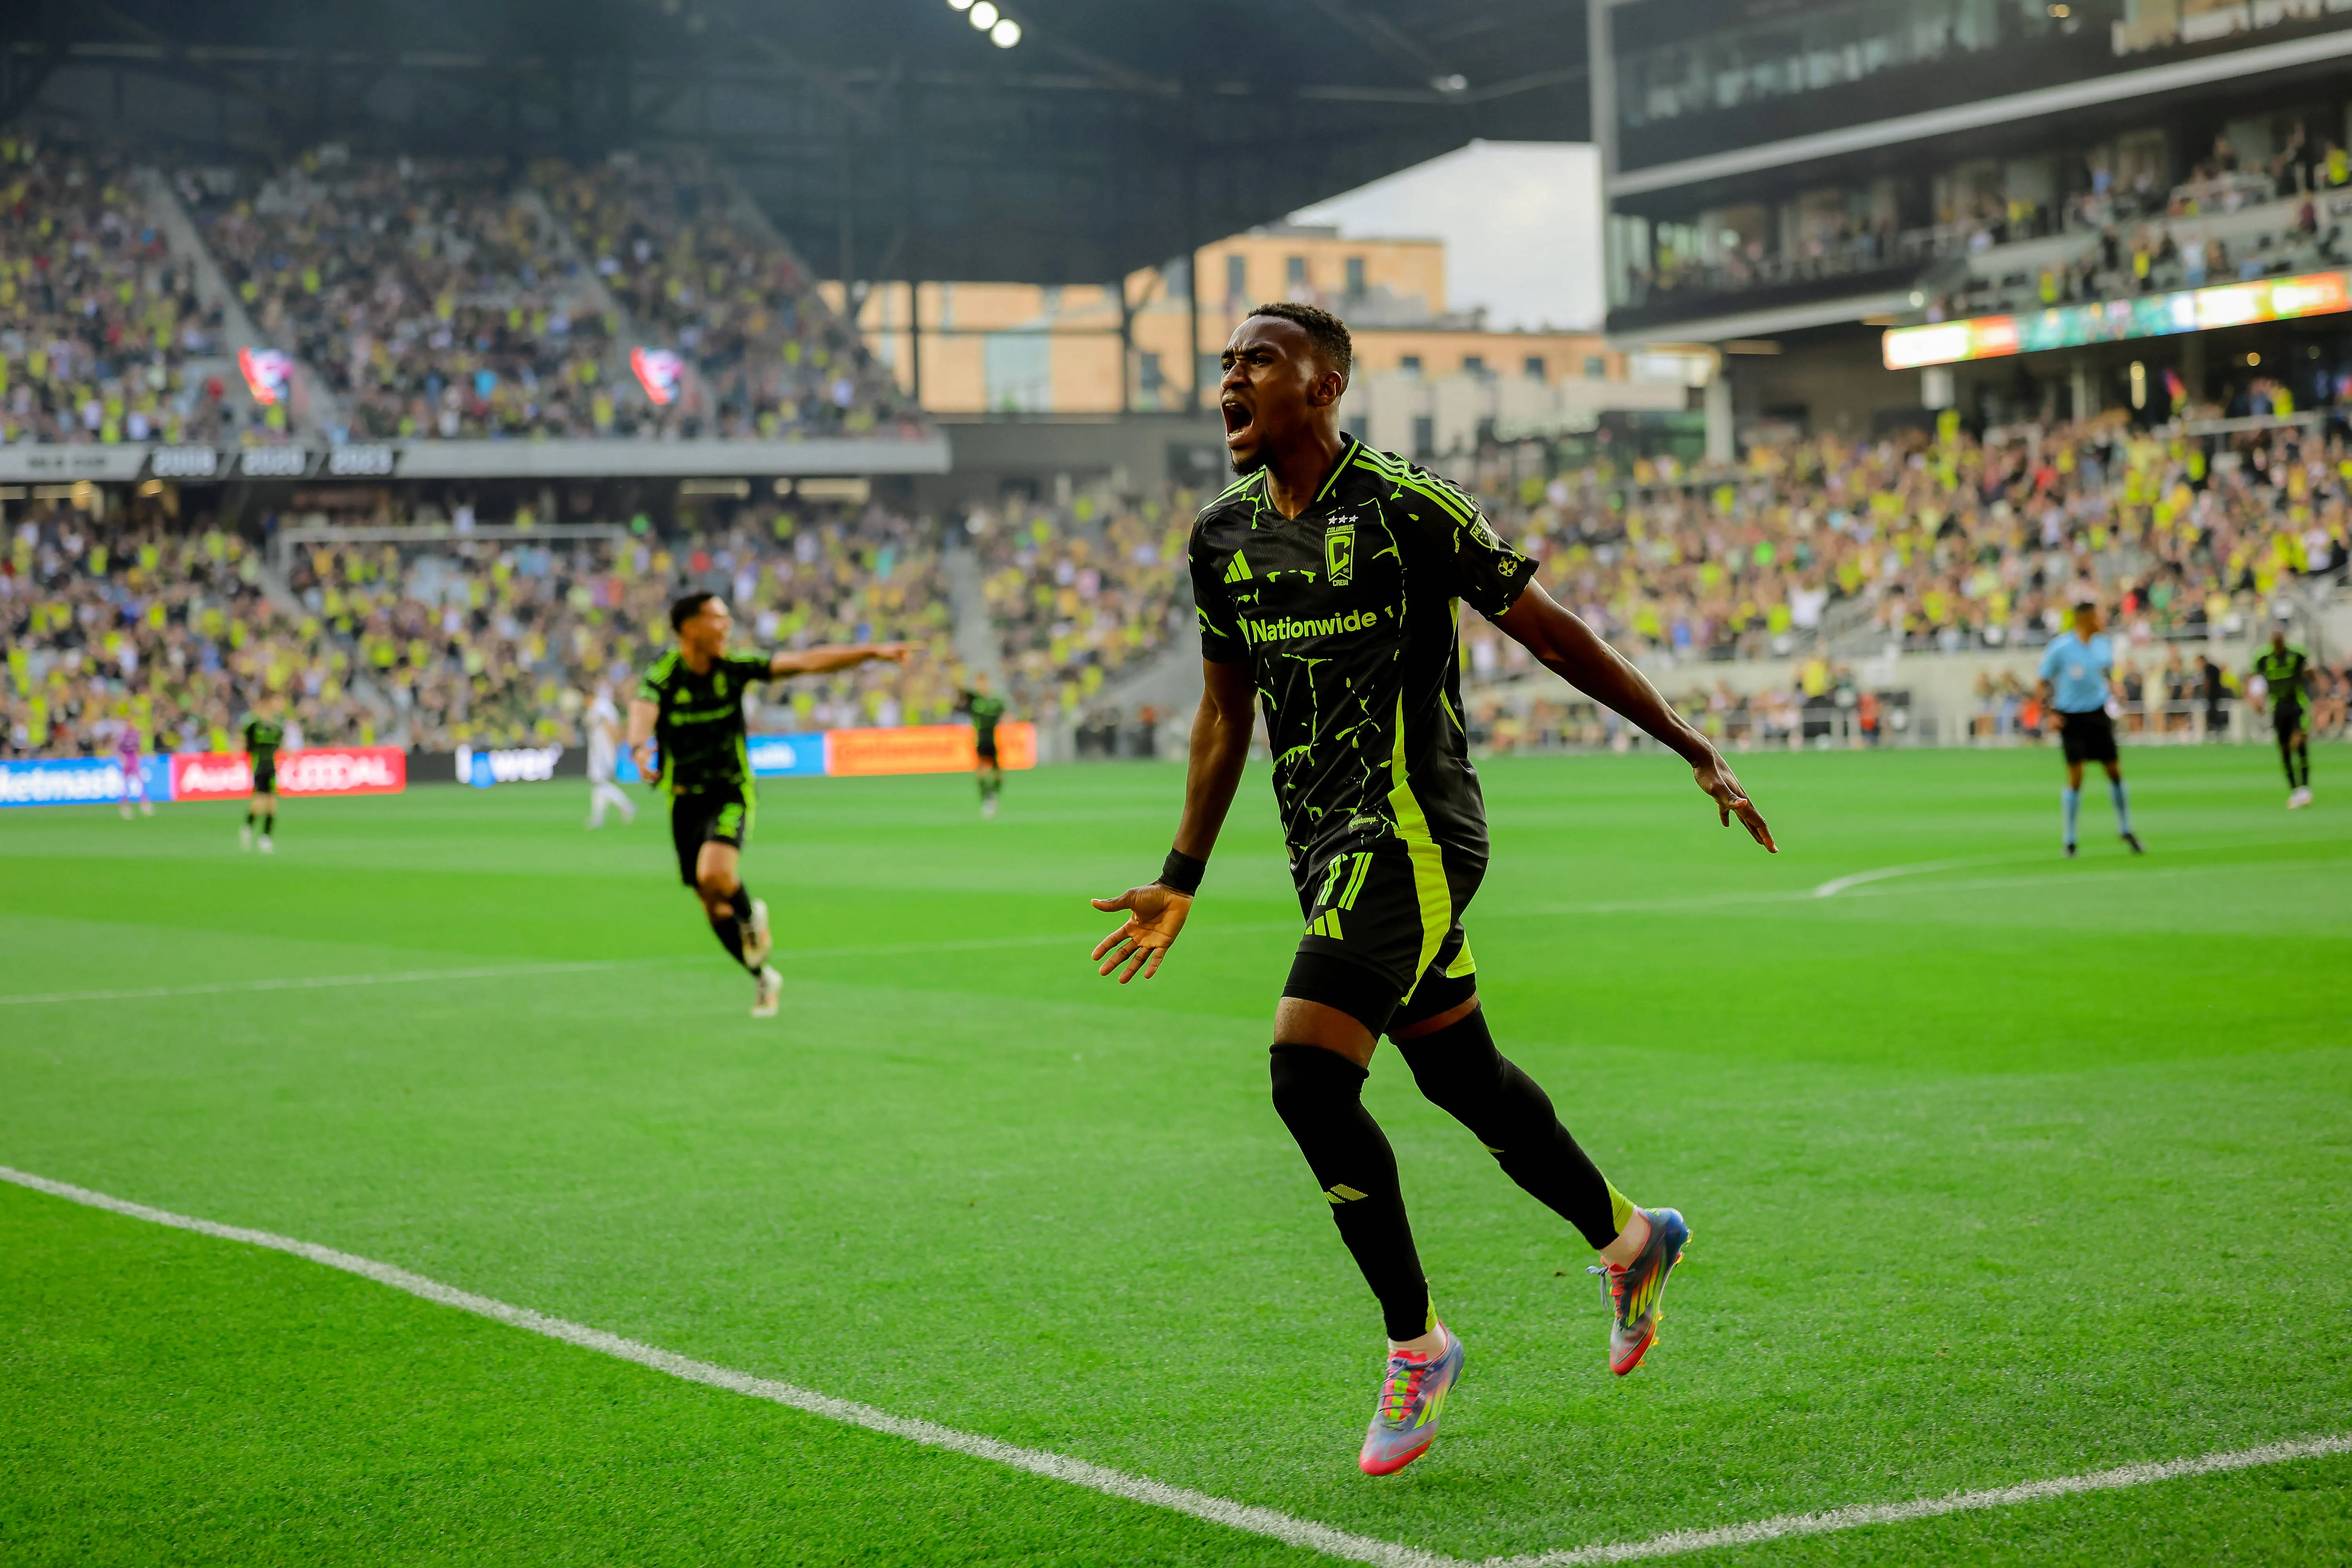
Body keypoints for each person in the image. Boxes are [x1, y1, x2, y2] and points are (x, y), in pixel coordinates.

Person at [1086, 302, 1777, 1478]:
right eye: (1222, 365)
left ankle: (1417, 1341)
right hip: (1323, 850)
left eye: (1254, 359)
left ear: (1325, 383)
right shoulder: (1221, 538)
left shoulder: (1410, 509)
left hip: (1414, 831)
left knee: (1306, 1075)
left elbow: (1553, 637)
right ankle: (1626, 1236)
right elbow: (1221, 712)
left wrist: (1686, 741)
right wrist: (1178, 875)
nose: (1228, 383)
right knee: (1463, 1076)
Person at [629, 592, 913, 1018]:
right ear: (690, 626)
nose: (728, 626)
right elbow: (642, 708)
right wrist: (638, 747)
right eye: (718, 618)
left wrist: (870, 652)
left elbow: (806, 662)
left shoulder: (735, 667)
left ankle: (750, 915)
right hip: (685, 801)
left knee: (716, 874)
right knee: (710, 902)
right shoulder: (665, 673)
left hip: (730, 792)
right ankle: (763, 977)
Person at [2035, 599, 2144, 858]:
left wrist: (2115, 688)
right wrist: (2049, 714)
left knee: (2115, 770)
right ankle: (2070, 838)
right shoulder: (2061, 648)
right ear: (2084, 619)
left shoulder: (2103, 645)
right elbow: (2041, 682)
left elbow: (2107, 673)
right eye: (2097, 617)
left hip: (2098, 714)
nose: (2102, 622)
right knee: (2076, 777)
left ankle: (2126, 828)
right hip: (2071, 718)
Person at [2249, 613, 2314, 808]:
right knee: (2285, 750)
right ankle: (2295, 790)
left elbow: (2311, 674)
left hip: (2297, 706)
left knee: (2299, 743)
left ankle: (2305, 788)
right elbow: (2256, 681)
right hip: (2278, 709)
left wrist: (2320, 698)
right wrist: (2257, 700)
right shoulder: (2263, 658)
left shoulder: (2297, 655)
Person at [584, 684, 637, 828]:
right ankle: (598, 819)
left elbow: (612, 727)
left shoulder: (601, 706)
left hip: (604, 750)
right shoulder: (599, 706)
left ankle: (627, 805)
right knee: (598, 784)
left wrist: (616, 744)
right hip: (600, 749)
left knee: (599, 782)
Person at [957, 673, 1008, 817]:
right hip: (981, 740)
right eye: (980, 683)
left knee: (999, 775)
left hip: (993, 740)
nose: (983, 686)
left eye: (984, 683)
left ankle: (993, 797)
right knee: (981, 772)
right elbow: (961, 690)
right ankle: (987, 800)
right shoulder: (974, 700)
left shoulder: (996, 701)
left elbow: (1004, 714)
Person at [240, 698, 286, 853]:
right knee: (259, 803)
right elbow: (243, 744)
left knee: (272, 804)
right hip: (259, 768)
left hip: (271, 768)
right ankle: (248, 827)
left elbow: (282, 746)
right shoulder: (253, 727)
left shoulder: (277, 728)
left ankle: (266, 837)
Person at [115, 719, 152, 819]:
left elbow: (139, 748)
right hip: (127, 759)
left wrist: (140, 758)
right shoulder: (123, 736)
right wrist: (123, 760)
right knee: (126, 783)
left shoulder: (136, 735)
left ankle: (145, 805)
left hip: (134, 759)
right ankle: (125, 806)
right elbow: (119, 750)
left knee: (140, 782)